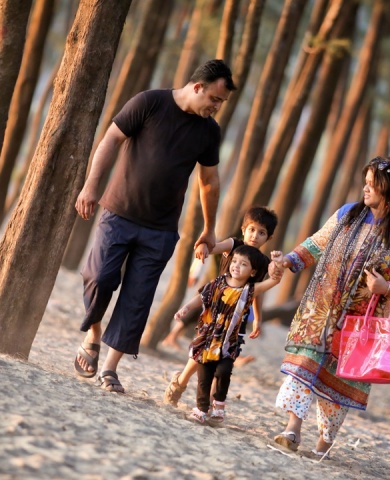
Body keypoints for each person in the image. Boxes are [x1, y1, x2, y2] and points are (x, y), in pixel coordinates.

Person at [73, 60, 237, 393]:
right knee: (99, 277)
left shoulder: (209, 132)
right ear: (197, 87)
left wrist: (209, 228)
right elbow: (110, 140)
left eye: (221, 103)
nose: (216, 108)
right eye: (215, 100)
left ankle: (109, 368)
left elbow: (208, 181)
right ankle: (94, 334)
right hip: (118, 212)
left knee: (137, 299)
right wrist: (91, 185)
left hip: (160, 230)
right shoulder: (149, 102)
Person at [268, 156, 390, 457]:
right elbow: (316, 244)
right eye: (364, 183)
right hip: (322, 310)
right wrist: (288, 261)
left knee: (339, 385)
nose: (365, 190)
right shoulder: (347, 214)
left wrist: (387, 288)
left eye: (372, 185)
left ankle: (322, 446)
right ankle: (292, 429)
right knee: (303, 367)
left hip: (362, 325)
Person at [162, 206, 278, 406]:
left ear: (268, 238)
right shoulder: (233, 245)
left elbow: (257, 293)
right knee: (201, 355)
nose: (255, 236)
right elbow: (215, 246)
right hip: (214, 312)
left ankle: (207, 403)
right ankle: (180, 383)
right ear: (243, 229)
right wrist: (205, 247)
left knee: (223, 360)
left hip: (235, 319)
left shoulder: (262, 262)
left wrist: (257, 319)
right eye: (251, 229)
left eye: (261, 233)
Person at [174, 246, 284, 424]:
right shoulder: (218, 282)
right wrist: (186, 308)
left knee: (223, 372)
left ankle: (218, 404)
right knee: (204, 378)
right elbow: (202, 297)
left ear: (252, 271)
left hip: (227, 344)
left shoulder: (249, 290)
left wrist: (278, 264)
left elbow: (274, 281)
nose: (236, 266)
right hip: (206, 340)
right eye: (234, 262)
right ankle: (201, 409)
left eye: (243, 264)